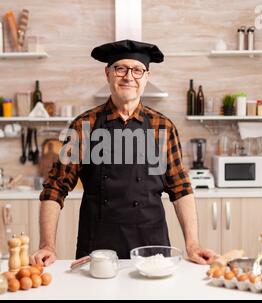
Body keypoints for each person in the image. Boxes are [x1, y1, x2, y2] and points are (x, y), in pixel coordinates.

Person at [30, 39, 218, 266]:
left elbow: (181, 190)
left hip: (152, 248)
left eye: (138, 70)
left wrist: (193, 245)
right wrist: (46, 245)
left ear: (146, 77)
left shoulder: (163, 127)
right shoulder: (84, 126)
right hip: (97, 248)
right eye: (121, 69)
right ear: (107, 73)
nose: (129, 77)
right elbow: (55, 188)